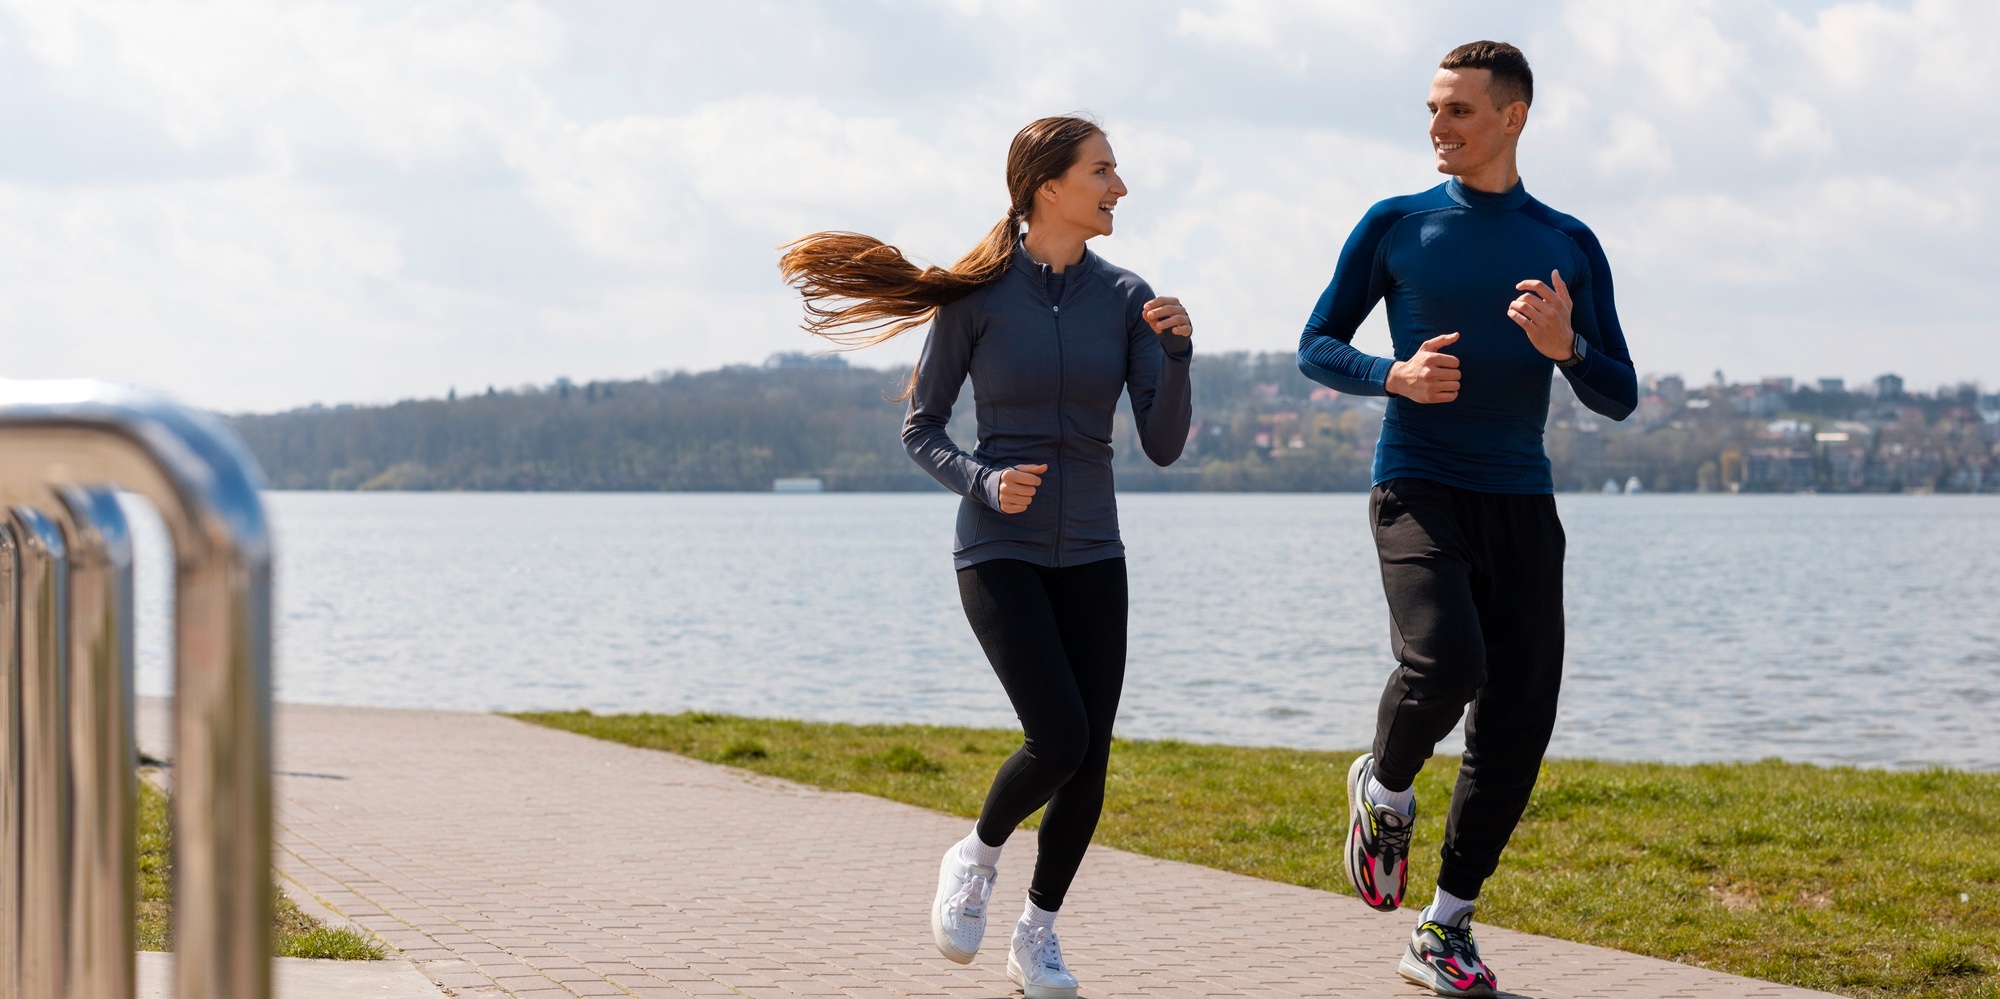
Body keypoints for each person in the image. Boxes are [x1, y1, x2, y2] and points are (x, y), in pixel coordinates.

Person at [779, 115, 1194, 999]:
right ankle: (975, 853)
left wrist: (1179, 353)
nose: (1119, 187)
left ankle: (1037, 934)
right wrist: (982, 479)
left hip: (1092, 550)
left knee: (1093, 757)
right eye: (1104, 171)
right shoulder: (977, 299)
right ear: (1050, 187)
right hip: (996, 549)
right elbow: (920, 427)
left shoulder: (1126, 298)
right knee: (1061, 736)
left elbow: (1163, 444)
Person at [1295, 41, 1637, 998]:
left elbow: (1620, 393)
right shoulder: (1398, 224)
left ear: (1513, 117)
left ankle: (1444, 928)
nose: (1438, 127)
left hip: (1522, 501)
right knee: (1447, 660)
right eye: (1433, 109)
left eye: (1459, 112)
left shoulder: (1568, 242)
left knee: (1518, 722)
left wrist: (1568, 347)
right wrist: (1389, 374)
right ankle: (1385, 785)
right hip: (1418, 483)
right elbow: (1317, 343)